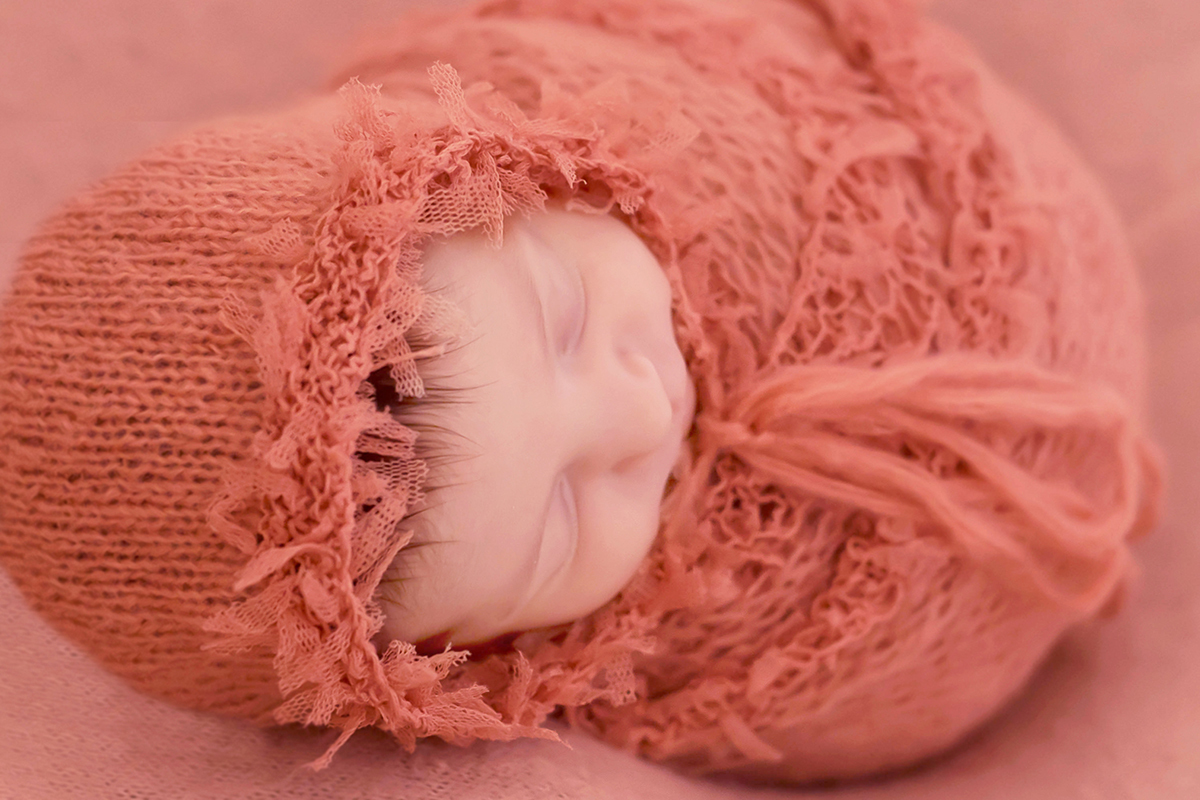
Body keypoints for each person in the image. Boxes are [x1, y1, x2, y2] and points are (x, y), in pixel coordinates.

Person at [0, 0, 1161, 784]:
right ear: (467, 660)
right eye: (563, 520)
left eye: (563, 326)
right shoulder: (686, 653)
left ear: (481, 169)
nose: (641, 413)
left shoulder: (594, 95)